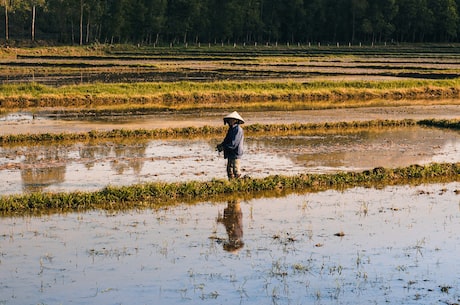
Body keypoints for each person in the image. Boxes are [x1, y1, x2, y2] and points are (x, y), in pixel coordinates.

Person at [216, 111, 244, 179]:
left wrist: (223, 147)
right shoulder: (231, 129)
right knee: (229, 170)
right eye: (229, 119)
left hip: (235, 152)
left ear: (236, 120)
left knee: (236, 170)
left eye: (232, 119)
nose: (230, 121)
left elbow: (233, 144)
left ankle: (239, 184)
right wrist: (221, 145)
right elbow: (226, 140)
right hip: (230, 152)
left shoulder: (238, 130)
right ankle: (231, 183)